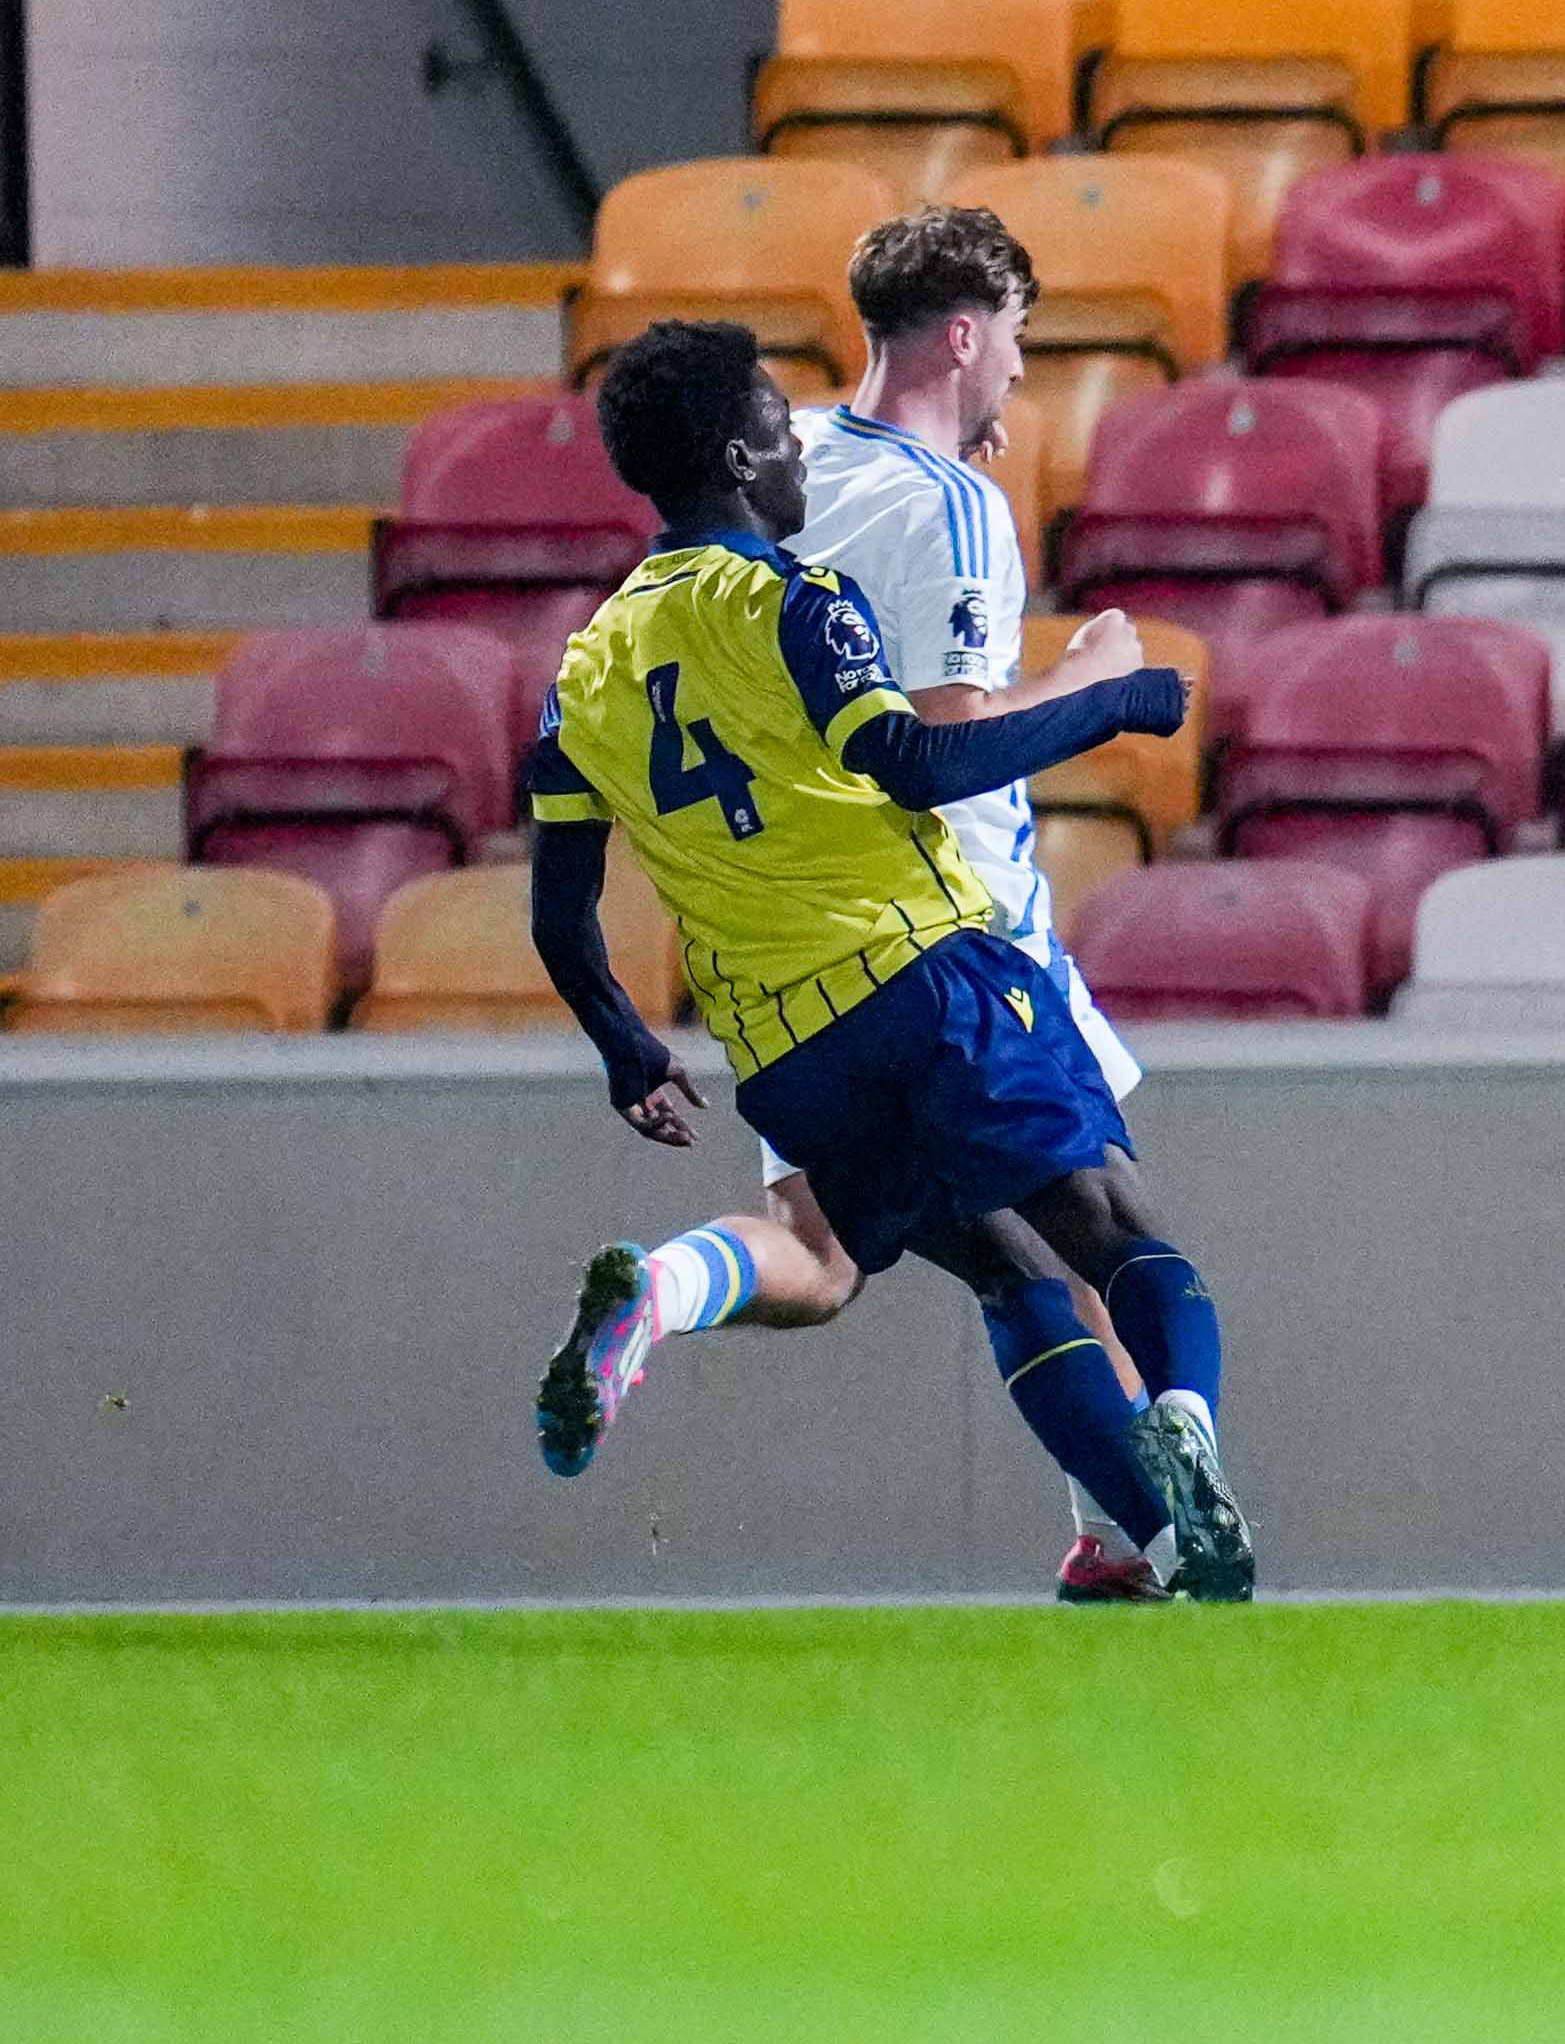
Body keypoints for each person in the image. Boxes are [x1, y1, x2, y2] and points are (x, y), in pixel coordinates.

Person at [513, 320, 1253, 1594]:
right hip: (924, 977)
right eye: (777, 425)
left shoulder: (584, 671)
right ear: (744, 455)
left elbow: (560, 916)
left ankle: (1179, 1551)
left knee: (1004, 1265)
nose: (799, 446)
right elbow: (914, 761)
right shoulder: (791, 601)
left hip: (788, 1047)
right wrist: (1118, 705)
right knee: (1119, 1240)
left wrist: (627, 1044)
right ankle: (1184, 1419)